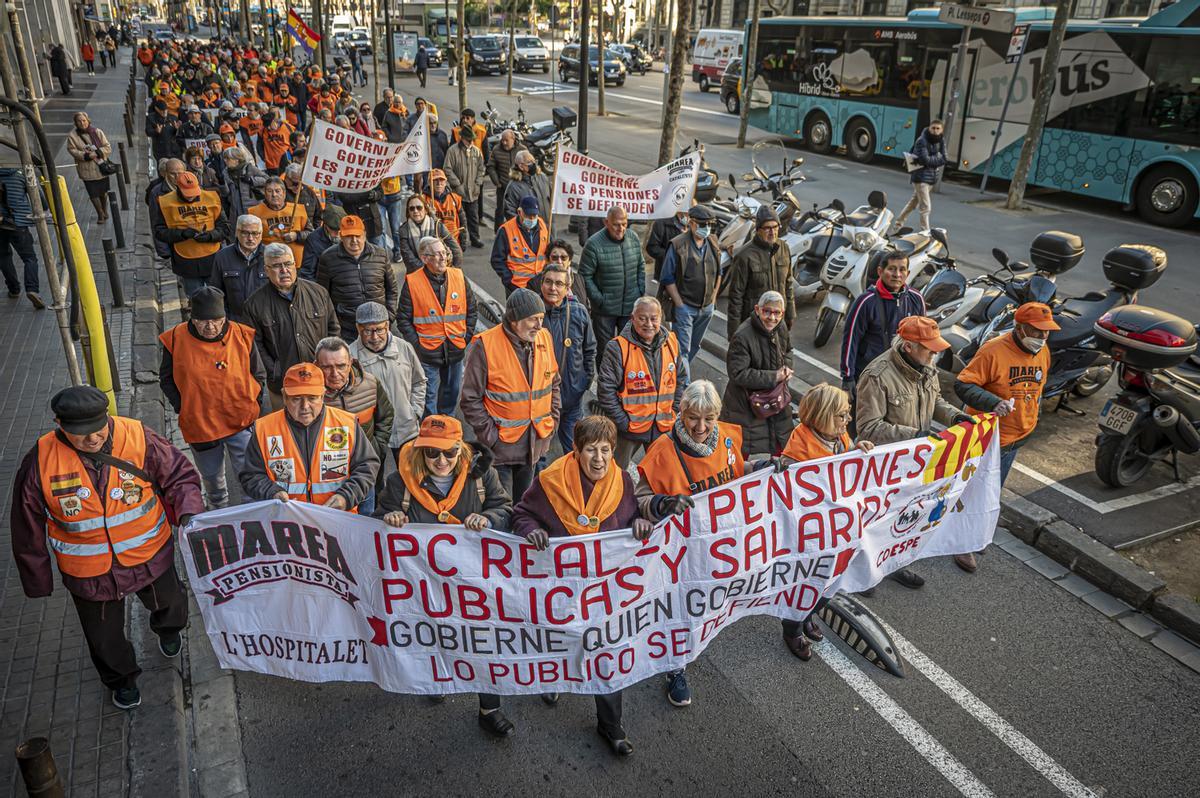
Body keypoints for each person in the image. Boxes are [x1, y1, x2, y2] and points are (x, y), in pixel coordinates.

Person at [11, 385, 203, 710]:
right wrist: (36, 580)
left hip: (148, 555)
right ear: (59, 423)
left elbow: (179, 475)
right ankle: (121, 680)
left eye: (97, 429)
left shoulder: (138, 436)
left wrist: (189, 514)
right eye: (80, 434)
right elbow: (25, 524)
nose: (92, 440)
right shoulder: (40, 460)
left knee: (171, 601)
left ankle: (169, 629)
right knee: (103, 637)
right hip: (88, 572)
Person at [635, 380, 784, 706]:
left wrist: (758, 467)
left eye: (708, 419)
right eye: (693, 419)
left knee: (704, 604)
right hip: (679, 551)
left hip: (717, 546)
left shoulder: (727, 439)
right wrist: (662, 504)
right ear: (682, 414)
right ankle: (675, 668)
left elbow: (734, 470)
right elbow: (641, 498)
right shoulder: (661, 451)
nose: (701, 427)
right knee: (679, 609)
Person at [510, 415, 652, 756]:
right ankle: (553, 680)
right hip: (561, 589)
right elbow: (520, 514)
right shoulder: (549, 482)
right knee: (560, 643)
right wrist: (532, 530)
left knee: (606, 652)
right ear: (576, 451)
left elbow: (632, 519)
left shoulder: (622, 483)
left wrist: (641, 524)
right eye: (591, 450)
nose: (599, 459)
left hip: (605, 591)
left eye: (606, 450)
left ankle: (611, 724)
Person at [377, 415, 513, 733]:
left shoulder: (482, 478)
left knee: (481, 640)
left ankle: (489, 708)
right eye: (433, 453)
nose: (442, 461)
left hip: (472, 582)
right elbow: (377, 517)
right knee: (431, 632)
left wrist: (489, 519)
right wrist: (389, 516)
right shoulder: (400, 483)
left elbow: (506, 510)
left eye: (449, 453)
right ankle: (434, 678)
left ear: (461, 450)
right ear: (421, 452)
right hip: (425, 583)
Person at [855, 315, 971, 589]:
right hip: (886, 466)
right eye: (929, 348)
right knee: (875, 522)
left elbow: (936, 400)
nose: (935, 353)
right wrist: (916, 435)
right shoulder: (877, 375)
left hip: (915, 461)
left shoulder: (926, 365)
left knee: (905, 519)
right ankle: (864, 574)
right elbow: (868, 428)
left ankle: (893, 564)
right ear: (908, 347)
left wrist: (955, 418)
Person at [953, 302, 1057, 572]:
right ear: (1020, 328)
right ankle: (965, 543)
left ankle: (975, 532)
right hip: (988, 437)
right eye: (1037, 331)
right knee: (975, 490)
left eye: (1046, 332)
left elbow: (1038, 388)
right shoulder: (993, 351)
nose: (1043, 337)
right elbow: (963, 384)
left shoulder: (1043, 351)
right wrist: (992, 402)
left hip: (1015, 438)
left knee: (991, 491)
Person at [778, 383, 874, 659]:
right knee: (806, 583)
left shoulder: (839, 438)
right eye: (842, 415)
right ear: (822, 416)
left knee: (829, 581)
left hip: (834, 530)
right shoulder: (798, 451)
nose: (849, 421)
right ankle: (792, 627)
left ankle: (808, 613)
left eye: (848, 414)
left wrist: (858, 449)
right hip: (810, 535)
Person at [159, 286, 268, 508]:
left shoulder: (241, 334)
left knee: (248, 475)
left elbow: (258, 373)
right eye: (202, 321)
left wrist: (253, 402)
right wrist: (184, 406)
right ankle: (220, 515)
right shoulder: (175, 339)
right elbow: (166, 379)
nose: (210, 326)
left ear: (224, 316)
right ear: (192, 318)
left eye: (216, 320)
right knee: (212, 481)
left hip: (240, 419)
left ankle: (251, 516)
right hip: (200, 424)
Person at [461, 287, 562, 502]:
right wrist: (491, 437)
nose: (539, 325)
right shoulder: (484, 345)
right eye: (533, 319)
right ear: (514, 319)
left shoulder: (544, 337)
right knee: (502, 508)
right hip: (501, 449)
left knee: (525, 505)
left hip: (535, 444)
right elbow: (470, 399)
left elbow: (554, 383)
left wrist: (553, 420)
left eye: (541, 318)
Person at [239, 362, 379, 508]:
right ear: (285, 397)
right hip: (288, 522)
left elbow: (367, 466)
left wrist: (346, 497)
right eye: (296, 399)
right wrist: (272, 492)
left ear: (323, 396)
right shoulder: (264, 429)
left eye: (312, 398)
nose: (305, 406)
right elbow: (251, 476)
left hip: (337, 520)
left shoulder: (347, 424)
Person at [243, 243, 341, 409]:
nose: (284, 270)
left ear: (296, 265)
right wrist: (275, 370)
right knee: (288, 431)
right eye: (276, 266)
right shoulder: (254, 304)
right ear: (266, 270)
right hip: (284, 386)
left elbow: (333, 331)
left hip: (321, 379)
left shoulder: (318, 293)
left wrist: (329, 364)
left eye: (288, 264)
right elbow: (254, 346)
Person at [597, 296, 686, 467]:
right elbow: (605, 390)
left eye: (654, 319)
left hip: (663, 426)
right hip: (629, 430)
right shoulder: (618, 347)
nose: (649, 324)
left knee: (661, 475)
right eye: (642, 318)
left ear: (661, 318)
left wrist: (674, 409)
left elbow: (680, 378)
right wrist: (623, 422)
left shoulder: (672, 342)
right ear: (632, 318)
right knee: (615, 475)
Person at [397, 236, 477, 416]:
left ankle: (447, 425)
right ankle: (430, 429)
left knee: (452, 392)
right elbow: (403, 318)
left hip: (455, 348)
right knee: (428, 396)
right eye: (437, 254)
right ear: (425, 258)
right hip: (428, 352)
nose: (443, 258)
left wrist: (465, 337)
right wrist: (417, 345)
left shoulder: (458, 276)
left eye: (444, 253)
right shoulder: (413, 282)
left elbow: (472, 310)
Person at [314, 337, 394, 515]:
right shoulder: (310, 397)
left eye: (341, 365)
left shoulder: (371, 384)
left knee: (365, 520)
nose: (335, 373)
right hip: (326, 479)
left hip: (363, 474)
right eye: (327, 367)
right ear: (316, 365)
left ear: (351, 362)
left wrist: (376, 448)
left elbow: (386, 416)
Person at [531, 248, 596, 453]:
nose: (553, 288)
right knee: (538, 456)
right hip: (539, 402)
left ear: (568, 287)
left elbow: (589, 349)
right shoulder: (531, 313)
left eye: (559, 283)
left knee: (575, 451)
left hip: (571, 398)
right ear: (541, 284)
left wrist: (584, 381)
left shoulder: (579, 312)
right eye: (548, 282)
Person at [349, 302, 428, 463]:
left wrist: (415, 411)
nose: (374, 337)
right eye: (368, 331)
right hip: (372, 435)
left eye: (379, 329)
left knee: (410, 478)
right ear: (358, 328)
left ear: (387, 325)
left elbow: (419, 382)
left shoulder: (404, 347)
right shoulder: (350, 356)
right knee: (374, 481)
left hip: (407, 428)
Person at [721, 290, 797, 457]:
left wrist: (785, 369)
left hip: (775, 401)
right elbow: (738, 373)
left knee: (781, 450)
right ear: (757, 309)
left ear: (782, 314)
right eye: (767, 311)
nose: (772, 317)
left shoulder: (781, 327)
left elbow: (789, 351)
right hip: (746, 406)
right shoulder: (742, 335)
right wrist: (774, 377)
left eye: (777, 313)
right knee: (744, 457)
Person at [841, 252, 925, 393]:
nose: (897, 274)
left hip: (901, 376)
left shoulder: (916, 299)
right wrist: (848, 377)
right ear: (880, 271)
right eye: (891, 268)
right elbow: (850, 340)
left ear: (908, 273)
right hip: (869, 375)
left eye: (902, 269)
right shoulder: (866, 301)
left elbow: (923, 339)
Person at [578, 205, 646, 359]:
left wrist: (640, 290)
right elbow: (584, 275)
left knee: (629, 350)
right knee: (605, 351)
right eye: (616, 224)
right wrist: (599, 300)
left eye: (624, 223)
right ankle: (605, 382)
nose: (620, 228)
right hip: (604, 311)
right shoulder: (593, 244)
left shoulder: (633, 237)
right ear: (606, 222)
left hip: (629, 307)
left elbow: (641, 265)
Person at [660, 205, 720, 375]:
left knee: (694, 345)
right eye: (702, 224)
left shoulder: (713, 243)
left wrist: (713, 299)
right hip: (685, 307)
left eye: (709, 224)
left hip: (706, 308)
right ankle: (684, 387)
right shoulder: (678, 245)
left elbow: (719, 274)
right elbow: (667, 278)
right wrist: (679, 304)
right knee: (683, 349)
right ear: (692, 223)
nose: (706, 228)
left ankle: (677, 373)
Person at [316, 214, 398, 340]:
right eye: (348, 236)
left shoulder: (380, 254)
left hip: (379, 327)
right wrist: (334, 324)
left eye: (357, 235)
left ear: (364, 235)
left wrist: (390, 316)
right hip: (347, 329)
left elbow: (392, 289)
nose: (354, 240)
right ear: (341, 236)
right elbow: (322, 296)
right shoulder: (328, 258)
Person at [152, 171, 230, 299]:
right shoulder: (165, 203)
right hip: (186, 262)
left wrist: (211, 236)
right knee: (196, 299)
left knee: (218, 298)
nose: (191, 197)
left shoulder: (211, 198)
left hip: (213, 258)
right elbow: (159, 232)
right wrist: (182, 234)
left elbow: (225, 228)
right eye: (187, 194)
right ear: (178, 188)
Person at [725, 206, 795, 340]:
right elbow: (736, 297)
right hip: (753, 325)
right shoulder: (744, 256)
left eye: (775, 227)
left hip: (777, 322)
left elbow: (788, 283)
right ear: (758, 230)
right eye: (767, 228)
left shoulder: (784, 248)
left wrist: (790, 314)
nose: (772, 232)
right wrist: (734, 332)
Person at [207, 214, 265, 323]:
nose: (250, 238)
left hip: (265, 320)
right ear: (237, 233)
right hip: (235, 321)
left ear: (261, 235)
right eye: (245, 233)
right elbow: (216, 292)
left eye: (255, 233)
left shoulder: (270, 256)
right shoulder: (222, 257)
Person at [0, 169, 45, 308]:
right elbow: (39, 196)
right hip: (18, 223)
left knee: (3, 257)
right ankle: (32, 290)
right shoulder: (23, 173)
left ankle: (14, 289)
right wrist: (45, 208)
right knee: (29, 258)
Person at [894, 120, 946, 233]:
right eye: (933, 128)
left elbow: (944, 158)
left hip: (931, 178)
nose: (935, 131)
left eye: (938, 129)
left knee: (913, 204)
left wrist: (932, 161)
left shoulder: (941, 140)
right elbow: (924, 159)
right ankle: (925, 232)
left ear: (942, 130)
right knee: (926, 207)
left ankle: (897, 224)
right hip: (920, 178)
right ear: (929, 128)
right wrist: (937, 160)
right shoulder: (922, 140)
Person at [491, 195, 548, 295]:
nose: (532, 219)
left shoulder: (543, 225)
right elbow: (497, 259)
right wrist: (509, 281)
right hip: (517, 286)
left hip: (539, 285)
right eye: (528, 215)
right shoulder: (506, 230)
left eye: (534, 216)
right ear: (519, 212)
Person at [66, 112, 114, 224]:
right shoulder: (72, 136)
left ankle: (104, 210)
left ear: (88, 121)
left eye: (84, 120)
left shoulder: (97, 132)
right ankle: (100, 214)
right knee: (93, 193)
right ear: (75, 123)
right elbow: (72, 150)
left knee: (103, 192)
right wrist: (86, 155)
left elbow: (108, 147)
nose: (82, 123)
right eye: (79, 121)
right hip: (86, 169)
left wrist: (97, 152)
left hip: (101, 167)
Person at [442, 125, 486, 248]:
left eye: (472, 140)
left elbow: (481, 169)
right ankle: (461, 240)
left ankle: (475, 238)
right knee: (460, 218)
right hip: (458, 192)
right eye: (468, 140)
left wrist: (478, 183)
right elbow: (447, 169)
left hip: (473, 192)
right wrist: (457, 184)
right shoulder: (452, 151)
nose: (471, 142)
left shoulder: (476, 151)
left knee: (473, 216)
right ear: (462, 138)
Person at [249, 176, 308, 265]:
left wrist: (297, 235)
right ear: (265, 194)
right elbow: (250, 239)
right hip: (269, 263)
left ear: (284, 193)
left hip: (296, 263)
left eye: (277, 191)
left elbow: (311, 234)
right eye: (269, 191)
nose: (274, 195)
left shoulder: (298, 209)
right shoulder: (254, 213)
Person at [396, 193, 462, 273]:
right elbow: (409, 260)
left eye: (419, 208)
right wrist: (429, 272)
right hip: (417, 274)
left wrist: (453, 271)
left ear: (426, 210)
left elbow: (456, 250)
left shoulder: (437, 225)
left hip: (441, 272)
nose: (415, 211)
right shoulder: (404, 230)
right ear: (408, 211)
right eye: (412, 208)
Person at [486, 131, 526, 230]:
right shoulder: (496, 149)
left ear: (513, 139)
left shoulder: (522, 150)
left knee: (518, 211)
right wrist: (497, 182)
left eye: (506, 140)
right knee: (500, 211)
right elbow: (490, 167)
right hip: (502, 187)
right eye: (502, 140)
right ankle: (498, 233)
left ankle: (517, 231)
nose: (504, 143)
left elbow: (528, 167)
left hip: (519, 189)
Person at [501, 150, 551, 226]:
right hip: (528, 232)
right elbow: (509, 212)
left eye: (534, 161)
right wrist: (525, 226)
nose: (534, 164)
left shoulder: (542, 177)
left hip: (548, 228)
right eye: (529, 162)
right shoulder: (513, 187)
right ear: (521, 166)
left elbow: (552, 199)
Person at [300, 204, 343, 281]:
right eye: (333, 229)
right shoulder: (313, 239)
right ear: (325, 224)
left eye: (340, 230)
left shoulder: (351, 235)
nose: (337, 233)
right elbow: (307, 272)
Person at [646, 208, 689, 280]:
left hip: (687, 276)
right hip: (667, 273)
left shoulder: (695, 224)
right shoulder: (661, 223)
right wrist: (671, 256)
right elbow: (652, 248)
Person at [427, 168, 465, 249]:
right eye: (435, 180)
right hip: (435, 245)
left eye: (441, 180)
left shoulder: (455, 198)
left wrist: (463, 240)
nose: (439, 183)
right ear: (429, 183)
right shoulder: (423, 200)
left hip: (454, 243)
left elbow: (463, 221)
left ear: (445, 182)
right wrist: (429, 214)